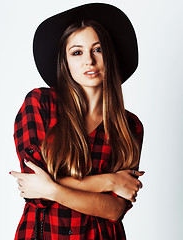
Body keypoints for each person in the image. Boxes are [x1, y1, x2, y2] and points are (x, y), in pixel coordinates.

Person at [10, 3, 144, 240]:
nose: (89, 61)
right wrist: (110, 181)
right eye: (77, 52)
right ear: (65, 61)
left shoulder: (130, 126)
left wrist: (53, 188)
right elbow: (34, 191)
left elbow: (115, 210)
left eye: (98, 49)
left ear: (109, 56)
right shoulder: (40, 104)